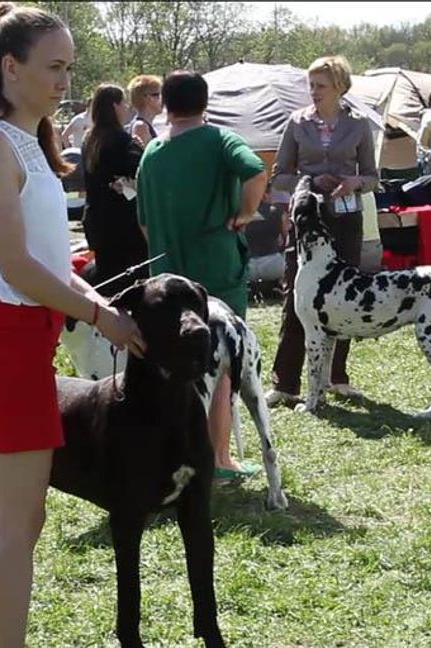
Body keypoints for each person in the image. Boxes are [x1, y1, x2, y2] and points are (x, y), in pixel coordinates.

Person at [0, 2, 143, 648]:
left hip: (22, 338)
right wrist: (101, 316)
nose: (67, 79)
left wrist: (95, 299)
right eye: (54, 66)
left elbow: (51, 262)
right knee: (16, 523)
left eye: (69, 65)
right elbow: (16, 267)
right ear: (12, 67)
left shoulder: (25, 144)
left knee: (6, 517)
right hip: (6, 339)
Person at [136, 70, 267, 479]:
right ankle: (218, 459)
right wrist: (244, 214)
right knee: (221, 365)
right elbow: (255, 170)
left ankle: (172, 457)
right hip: (216, 271)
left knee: (169, 369)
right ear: (204, 102)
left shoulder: (151, 153)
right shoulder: (220, 139)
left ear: (167, 105)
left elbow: (143, 222)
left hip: (165, 279)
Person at [265, 55, 378, 410]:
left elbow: (373, 178)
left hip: (346, 219)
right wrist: (311, 180)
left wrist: (354, 182)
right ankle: (285, 382)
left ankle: (336, 377)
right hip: (307, 220)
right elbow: (279, 175)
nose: (313, 92)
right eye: (310, 85)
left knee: (344, 297)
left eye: (321, 86)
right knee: (295, 297)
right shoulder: (297, 123)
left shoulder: (359, 125)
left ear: (340, 87)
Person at [80, 83, 147, 295]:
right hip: (123, 222)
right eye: (124, 102)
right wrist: (141, 147)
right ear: (114, 105)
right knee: (131, 280)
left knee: (107, 278)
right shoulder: (121, 140)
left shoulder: (89, 140)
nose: (127, 107)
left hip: (96, 219)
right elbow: (141, 172)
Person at [126, 74, 162, 147]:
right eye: (158, 94)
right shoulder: (141, 127)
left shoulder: (144, 125)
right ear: (147, 97)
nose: (162, 99)